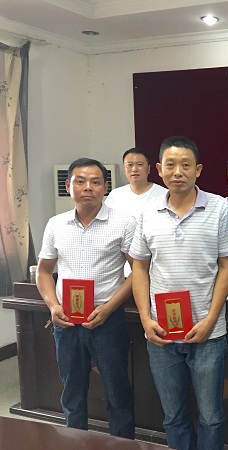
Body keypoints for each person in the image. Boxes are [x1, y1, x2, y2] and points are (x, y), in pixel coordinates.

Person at [130, 136, 228, 450]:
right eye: (171, 165)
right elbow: (140, 268)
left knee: (211, 416)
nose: (178, 172)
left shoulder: (219, 208)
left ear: (198, 170)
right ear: (159, 169)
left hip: (208, 333)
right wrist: (145, 319)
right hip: (161, 333)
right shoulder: (147, 212)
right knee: (173, 416)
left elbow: (226, 266)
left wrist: (210, 321)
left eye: (186, 165)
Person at [36, 158, 135, 438]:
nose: (88, 187)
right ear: (68, 186)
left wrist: (109, 307)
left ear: (105, 187)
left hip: (107, 321)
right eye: (80, 181)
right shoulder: (56, 224)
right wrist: (53, 306)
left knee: (117, 392)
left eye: (95, 182)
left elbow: (138, 272)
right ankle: (74, 442)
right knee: (72, 392)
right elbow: (44, 271)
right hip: (66, 321)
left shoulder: (124, 223)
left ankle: (121, 444)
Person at [105, 147, 167, 214]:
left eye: (139, 164)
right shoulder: (115, 195)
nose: (134, 169)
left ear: (149, 168)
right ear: (124, 169)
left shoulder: (164, 194)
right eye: (130, 165)